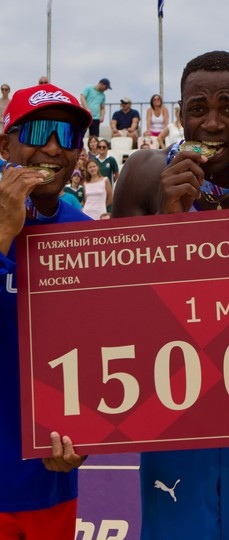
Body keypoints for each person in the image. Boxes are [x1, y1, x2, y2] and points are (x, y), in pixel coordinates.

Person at [112, 50, 229, 540]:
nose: (213, 123)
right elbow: (121, 310)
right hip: (176, 406)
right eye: (198, 109)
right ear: (180, 115)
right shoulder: (143, 174)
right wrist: (169, 224)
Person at [0, 82, 91, 539]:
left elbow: (102, 358)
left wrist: (90, 437)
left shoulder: (89, 236)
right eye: (38, 131)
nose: (53, 148)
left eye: (67, 136)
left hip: (49, 482)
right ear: (5, 145)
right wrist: (3, 235)